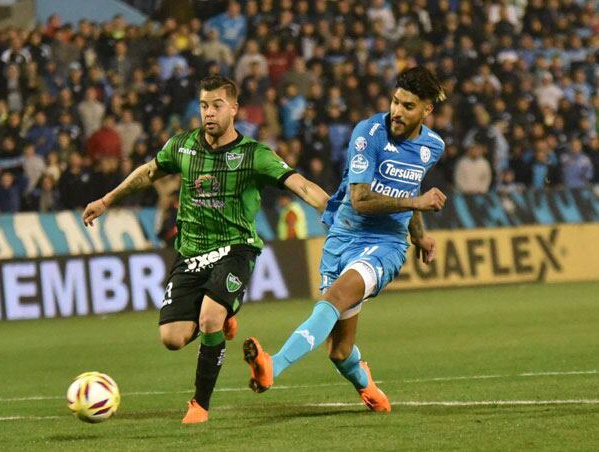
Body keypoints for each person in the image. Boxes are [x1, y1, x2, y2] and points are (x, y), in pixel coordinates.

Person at [82, 75, 330, 424]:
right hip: (191, 253)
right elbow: (148, 172)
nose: (209, 113)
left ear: (234, 108)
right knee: (171, 338)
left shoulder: (253, 155)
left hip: (236, 249)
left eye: (216, 105)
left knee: (209, 318)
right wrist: (107, 200)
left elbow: (299, 183)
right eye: (203, 106)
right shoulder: (182, 147)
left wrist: (329, 208)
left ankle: (199, 404)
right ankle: (224, 314)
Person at [243, 67, 449, 413]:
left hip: (386, 244)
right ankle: (368, 388)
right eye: (395, 101)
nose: (397, 111)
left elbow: (409, 186)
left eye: (408, 106)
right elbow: (360, 199)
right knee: (339, 351)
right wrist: (417, 203)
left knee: (336, 296)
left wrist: (420, 236)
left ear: (427, 110)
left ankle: (271, 366)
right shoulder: (368, 133)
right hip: (343, 237)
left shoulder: (433, 146)